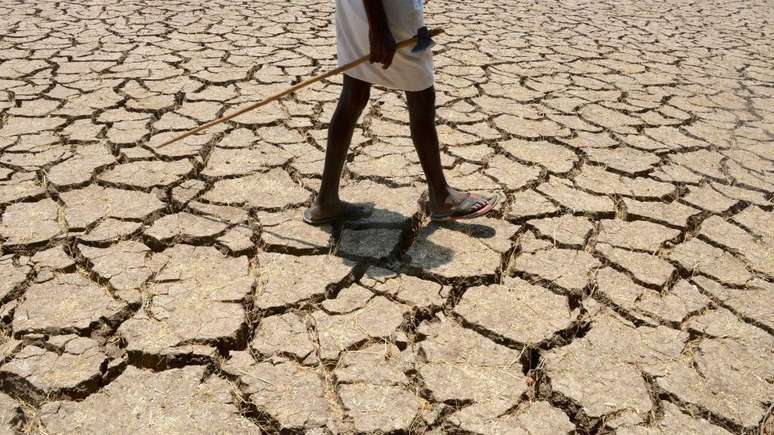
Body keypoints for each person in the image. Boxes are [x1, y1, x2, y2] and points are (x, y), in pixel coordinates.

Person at [303, 0, 498, 225]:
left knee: (354, 94)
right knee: (421, 96)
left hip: (356, 9)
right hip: (389, 14)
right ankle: (441, 196)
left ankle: (326, 200)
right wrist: (379, 29)